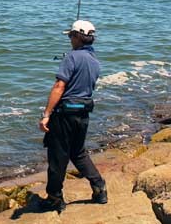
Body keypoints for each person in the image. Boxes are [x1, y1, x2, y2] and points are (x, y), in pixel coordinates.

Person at [38, 20, 107, 213]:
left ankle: (54, 198)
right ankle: (99, 187)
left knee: (58, 156)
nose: (69, 39)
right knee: (78, 152)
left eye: (71, 35)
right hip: (83, 113)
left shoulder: (71, 58)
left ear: (77, 36)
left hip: (64, 115)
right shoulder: (95, 61)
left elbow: (59, 87)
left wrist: (46, 115)